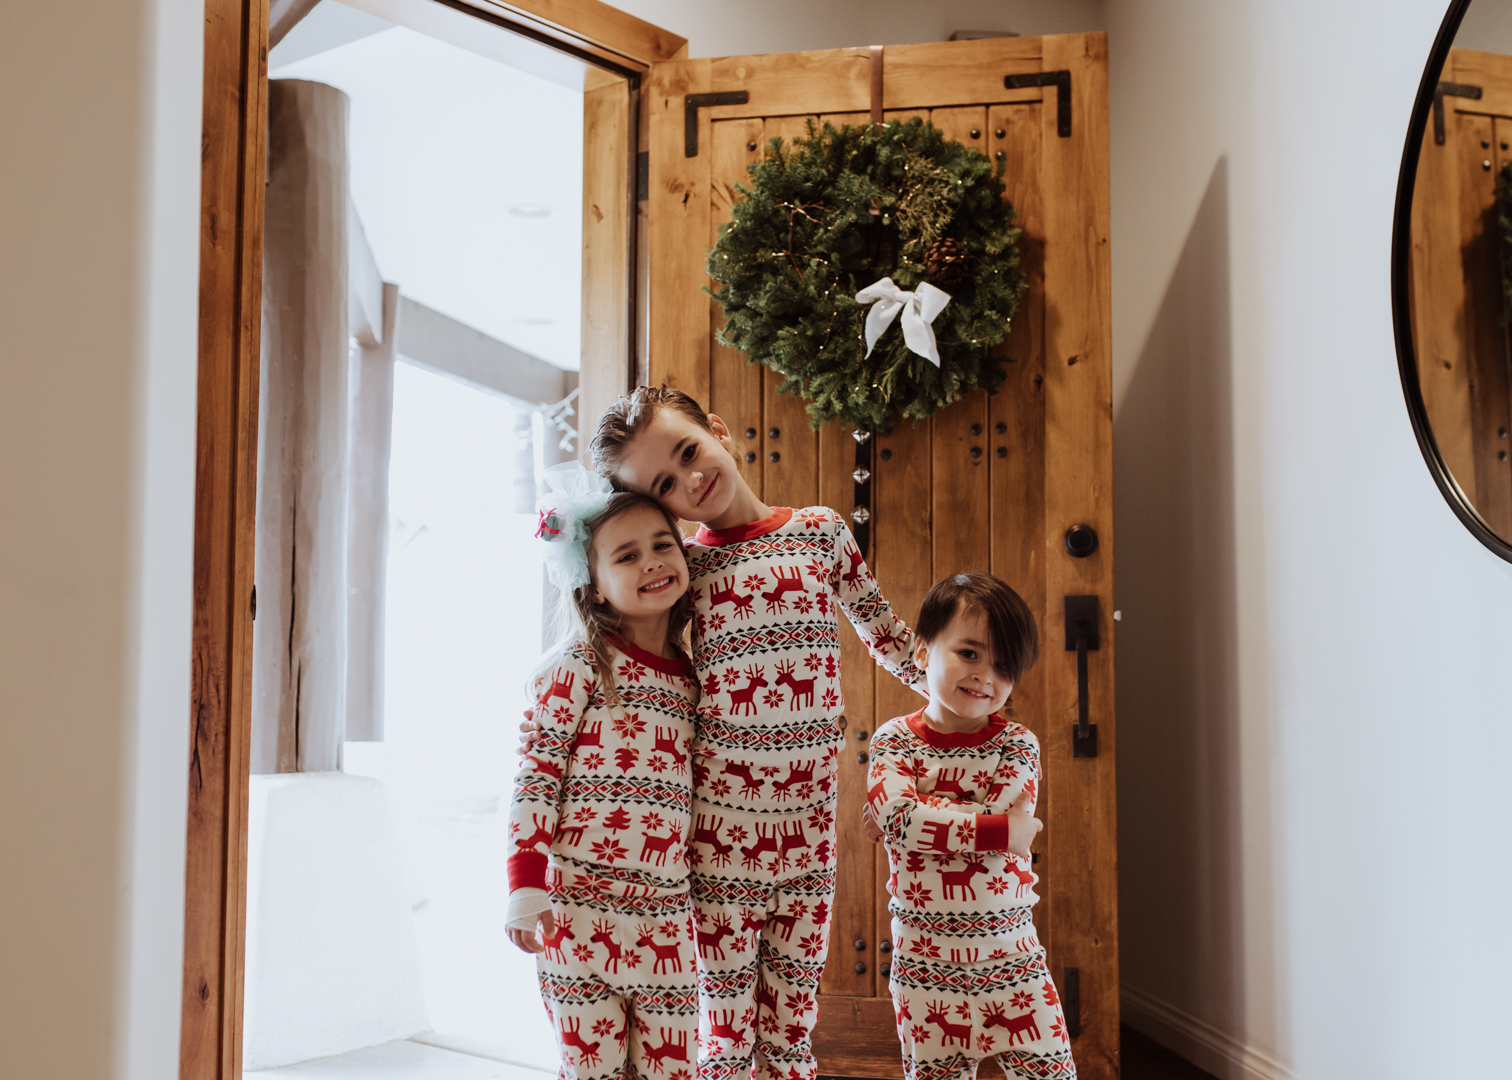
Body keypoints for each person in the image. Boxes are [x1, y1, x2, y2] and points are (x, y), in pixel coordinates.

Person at [587, 385, 926, 1080]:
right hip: (718, 852)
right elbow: (645, 681)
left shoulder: (820, 531)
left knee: (793, 1034)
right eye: (665, 484)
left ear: (718, 430)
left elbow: (888, 636)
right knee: (728, 1038)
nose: (691, 479)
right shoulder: (684, 572)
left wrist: (961, 695)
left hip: (808, 844)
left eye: (689, 452)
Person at [506, 463, 700, 1080]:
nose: (652, 562)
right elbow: (536, 775)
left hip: (667, 920)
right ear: (590, 583)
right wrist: (524, 883)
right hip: (576, 919)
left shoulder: (699, 678)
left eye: (663, 544)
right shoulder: (578, 667)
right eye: (626, 555)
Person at [864, 572, 1074, 1080]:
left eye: (1004, 666)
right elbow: (901, 818)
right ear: (922, 652)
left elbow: (905, 819)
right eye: (970, 653)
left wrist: (923, 811)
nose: (986, 677)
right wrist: (999, 830)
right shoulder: (893, 740)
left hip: (1014, 960)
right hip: (925, 969)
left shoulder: (1018, 744)